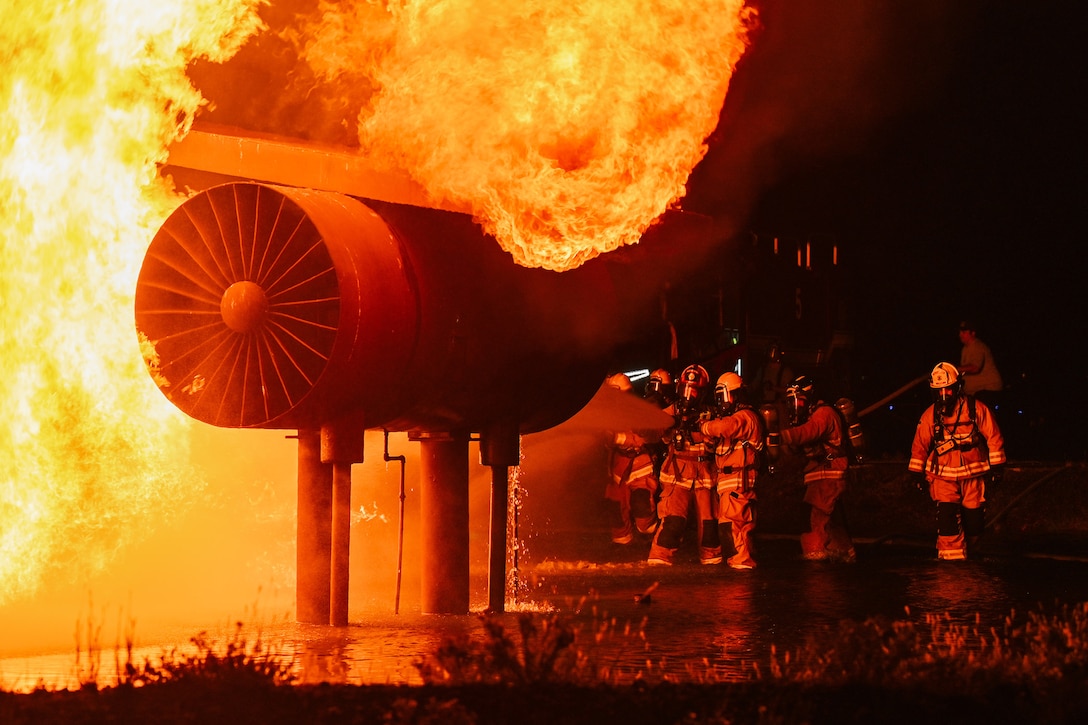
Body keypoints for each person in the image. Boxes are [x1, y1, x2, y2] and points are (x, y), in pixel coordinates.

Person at [908, 362, 1006, 561]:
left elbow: (994, 436)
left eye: (948, 390)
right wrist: (916, 474)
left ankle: (972, 560)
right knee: (947, 519)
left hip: (973, 474)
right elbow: (920, 445)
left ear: (957, 388)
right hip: (942, 476)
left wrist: (997, 467)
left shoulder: (975, 409)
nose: (944, 395)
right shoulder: (930, 415)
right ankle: (951, 567)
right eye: (939, 391)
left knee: (975, 521)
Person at [647, 364, 721, 566]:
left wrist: (703, 430)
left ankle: (712, 563)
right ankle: (659, 560)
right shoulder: (672, 411)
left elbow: (717, 438)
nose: (689, 396)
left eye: (694, 391)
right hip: (676, 474)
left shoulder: (711, 415)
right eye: (686, 389)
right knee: (673, 522)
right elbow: (654, 430)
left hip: (705, 475)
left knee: (710, 527)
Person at [779, 375, 856, 563]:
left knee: (815, 518)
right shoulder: (813, 415)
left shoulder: (824, 414)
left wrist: (780, 436)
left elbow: (807, 433)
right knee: (830, 519)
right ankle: (844, 554)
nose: (796, 407)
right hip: (821, 474)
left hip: (830, 474)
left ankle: (816, 558)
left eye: (799, 401)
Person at [700, 372, 764, 569]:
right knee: (731, 528)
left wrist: (705, 427)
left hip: (739, 480)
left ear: (734, 395)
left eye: (722, 397)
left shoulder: (746, 416)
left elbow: (728, 427)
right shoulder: (732, 419)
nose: (720, 402)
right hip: (728, 482)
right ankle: (741, 564)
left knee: (736, 527)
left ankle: (743, 567)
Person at [603, 373, 661, 545]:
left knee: (641, 504)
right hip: (618, 467)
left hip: (640, 464)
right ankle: (622, 543)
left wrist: (620, 439)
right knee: (616, 510)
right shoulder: (607, 413)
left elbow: (647, 437)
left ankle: (649, 528)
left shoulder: (639, 411)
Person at [957, 321, 1003, 410]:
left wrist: (955, 369)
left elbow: (975, 368)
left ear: (973, 333)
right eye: (959, 332)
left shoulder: (978, 346)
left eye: (963, 332)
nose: (960, 335)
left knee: (979, 416)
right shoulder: (965, 349)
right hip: (975, 392)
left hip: (988, 390)